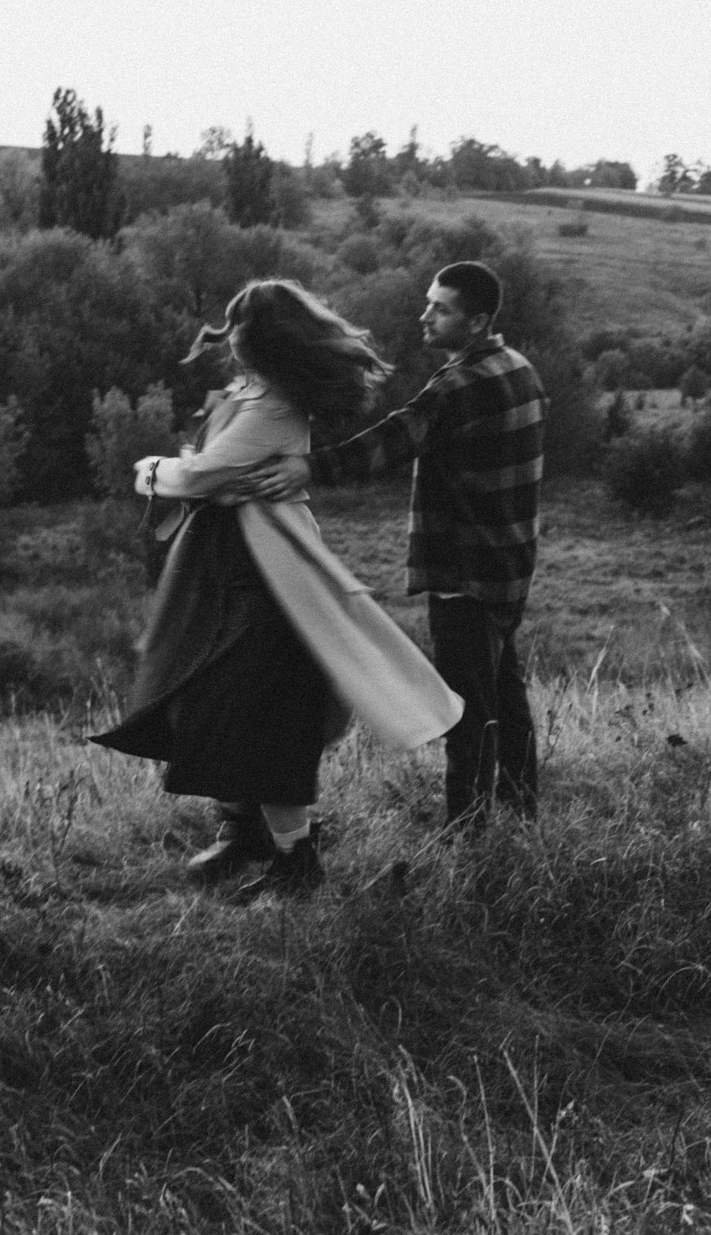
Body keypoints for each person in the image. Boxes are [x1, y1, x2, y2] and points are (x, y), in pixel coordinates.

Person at [92, 279, 462, 896]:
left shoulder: (271, 408)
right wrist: (199, 474)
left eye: (238, 329)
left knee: (259, 714)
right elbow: (211, 470)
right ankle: (246, 833)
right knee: (215, 700)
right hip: (228, 568)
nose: (228, 338)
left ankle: (292, 858)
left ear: (258, 341)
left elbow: (201, 473)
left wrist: (151, 469)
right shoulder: (252, 392)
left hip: (266, 578)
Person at [249, 261, 548, 830]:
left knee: (465, 707)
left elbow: (390, 441)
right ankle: (520, 808)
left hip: (467, 571)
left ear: (479, 320)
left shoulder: (458, 386)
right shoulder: (521, 369)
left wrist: (308, 468)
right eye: (429, 302)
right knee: (505, 695)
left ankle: (470, 831)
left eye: (442, 308)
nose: (425, 316)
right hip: (512, 565)